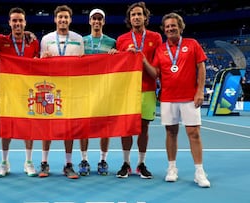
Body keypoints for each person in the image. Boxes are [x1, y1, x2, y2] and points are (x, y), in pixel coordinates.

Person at [143, 12, 211, 188]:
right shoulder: (160, 49)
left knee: (193, 133)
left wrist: (200, 91)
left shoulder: (192, 44)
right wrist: (143, 60)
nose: (170, 29)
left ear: (180, 27)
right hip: (168, 97)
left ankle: (199, 171)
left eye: (173, 26)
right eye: (167, 27)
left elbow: (201, 67)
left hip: (189, 97)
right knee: (171, 133)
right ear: (164, 30)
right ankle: (172, 168)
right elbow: (155, 73)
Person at [115, 2, 162, 179]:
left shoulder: (155, 37)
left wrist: (141, 59)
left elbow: (157, 69)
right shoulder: (121, 40)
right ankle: (126, 163)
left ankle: (141, 164)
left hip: (147, 89)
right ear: (129, 19)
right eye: (133, 15)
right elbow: (117, 66)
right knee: (126, 128)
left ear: (145, 17)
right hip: (127, 91)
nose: (136, 17)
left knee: (144, 127)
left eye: (139, 14)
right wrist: (116, 55)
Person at [39, 5, 84, 179]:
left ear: (70, 20)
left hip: (71, 89)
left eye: (66, 17)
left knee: (69, 127)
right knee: (47, 125)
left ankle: (68, 164)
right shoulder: (46, 39)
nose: (63, 20)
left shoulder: (78, 39)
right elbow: (41, 64)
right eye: (60, 17)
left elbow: (83, 65)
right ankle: (44, 162)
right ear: (55, 19)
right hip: (50, 88)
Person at [0, 7, 40, 178]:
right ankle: (4, 162)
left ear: (25, 22)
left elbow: (39, 60)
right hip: (8, 91)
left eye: (20, 20)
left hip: (28, 91)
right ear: (9, 23)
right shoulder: (1, 41)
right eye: (14, 20)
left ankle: (28, 162)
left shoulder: (33, 42)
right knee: (7, 126)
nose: (17, 23)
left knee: (29, 126)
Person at [78, 8, 116, 176]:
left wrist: (116, 54)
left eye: (100, 19)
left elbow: (120, 62)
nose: (97, 21)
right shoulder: (81, 41)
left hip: (104, 90)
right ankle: (84, 159)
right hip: (85, 90)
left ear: (104, 22)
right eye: (94, 18)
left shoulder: (112, 42)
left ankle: (102, 160)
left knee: (105, 128)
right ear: (89, 21)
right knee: (84, 126)